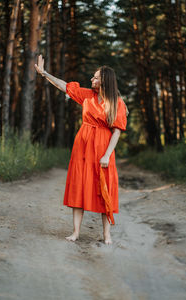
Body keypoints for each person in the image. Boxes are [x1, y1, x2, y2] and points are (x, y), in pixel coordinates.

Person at [35, 55, 127, 244]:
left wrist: (107, 155)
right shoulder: (87, 96)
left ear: (105, 81)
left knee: (104, 188)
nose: (91, 80)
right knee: (79, 185)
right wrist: (44, 74)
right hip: (82, 146)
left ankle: (106, 235)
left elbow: (117, 132)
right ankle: (76, 232)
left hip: (103, 147)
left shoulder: (117, 103)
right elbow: (65, 85)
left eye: (95, 77)